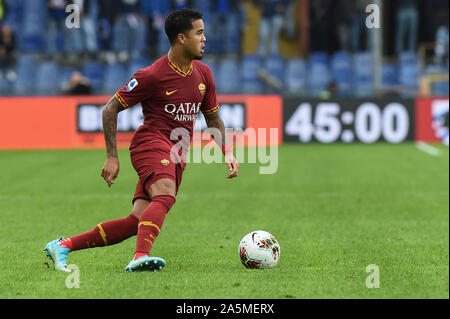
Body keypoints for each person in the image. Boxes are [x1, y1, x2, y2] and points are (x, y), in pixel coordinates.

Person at [44, 8, 239, 273]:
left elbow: (213, 118)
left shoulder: (204, 74)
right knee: (165, 192)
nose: (205, 38)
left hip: (177, 153)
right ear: (181, 38)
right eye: (200, 33)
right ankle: (140, 257)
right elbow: (110, 108)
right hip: (151, 142)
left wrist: (226, 150)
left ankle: (63, 245)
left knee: (135, 221)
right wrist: (112, 156)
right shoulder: (152, 75)